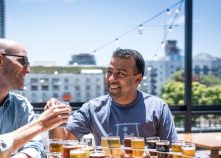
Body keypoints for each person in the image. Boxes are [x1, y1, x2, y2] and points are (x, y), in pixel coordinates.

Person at [47, 48, 178, 145]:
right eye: (109, 72)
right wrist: (54, 119)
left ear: (137, 79)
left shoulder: (157, 107)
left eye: (120, 74)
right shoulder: (93, 108)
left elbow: (171, 152)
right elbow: (62, 140)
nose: (111, 79)